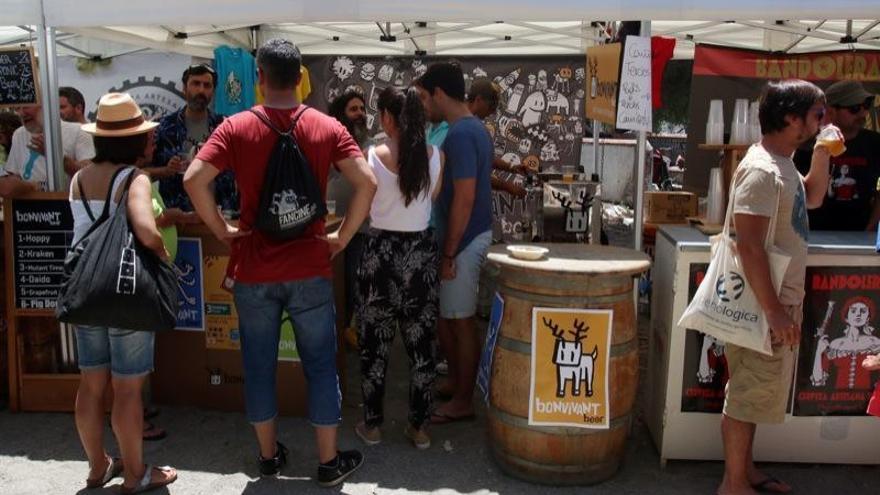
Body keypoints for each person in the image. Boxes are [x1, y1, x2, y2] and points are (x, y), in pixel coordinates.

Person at [184, 38, 375, 485]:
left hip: (253, 267)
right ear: (301, 77)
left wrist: (222, 230)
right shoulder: (327, 127)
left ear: (260, 79)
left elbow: (194, 179)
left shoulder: (235, 127)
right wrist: (341, 238)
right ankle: (328, 463)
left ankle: (268, 458)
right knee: (321, 366)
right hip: (310, 264)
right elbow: (366, 183)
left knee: (258, 364)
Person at [719, 79, 836, 495]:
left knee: (752, 393)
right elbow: (748, 245)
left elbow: (814, 197)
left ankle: (744, 473)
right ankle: (733, 485)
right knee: (747, 394)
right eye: (817, 115)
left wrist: (822, 151)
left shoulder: (782, 163)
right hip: (759, 306)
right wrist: (772, 310)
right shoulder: (761, 170)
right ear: (791, 118)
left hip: (772, 303)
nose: (824, 122)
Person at [71, 92, 177, 493]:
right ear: (133, 141)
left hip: (85, 289)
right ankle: (136, 474)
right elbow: (146, 229)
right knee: (128, 389)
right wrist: (160, 250)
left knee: (90, 384)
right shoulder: (134, 178)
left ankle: (98, 467)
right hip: (125, 289)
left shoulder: (79, 177)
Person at [354, 86, 444, 450]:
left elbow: (364, 204)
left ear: (388, 118)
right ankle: (419, 429)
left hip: (380, 254)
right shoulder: (436, 155)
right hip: (420, 255)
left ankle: (373, 426)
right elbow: (431, 200)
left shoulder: (370, 156)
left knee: (374, 346)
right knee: (422, 348)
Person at [415, 63, 493, 424]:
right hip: (463, 237)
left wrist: (448, 252)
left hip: (462, 241)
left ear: (439, 94)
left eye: (423, 97)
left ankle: (463, 400)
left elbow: (464, 198)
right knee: (450, 317)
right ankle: (457, 384)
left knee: (460, 320)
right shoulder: (471, 128)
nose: (423, 105)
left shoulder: (461, 134)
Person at [794, 80, 880, 231]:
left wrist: (872, 225)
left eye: (866, 105)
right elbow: (795, 193)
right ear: (831, 111)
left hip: (863, 236)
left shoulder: (875, 143)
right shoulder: (807, 145)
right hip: (815, 236)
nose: (863, 113)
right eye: (854, 108)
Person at [151, 64, 237, 214]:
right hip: (180, 220)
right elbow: (140, 172)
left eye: (207, 85)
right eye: (196, 84)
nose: (201, 90)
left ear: (213, 91)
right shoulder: (163, 128)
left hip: (222, 215)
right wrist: (166, 170)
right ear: (184, 88)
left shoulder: (226, 126)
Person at [328, 90, 371, 346]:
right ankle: (336, 328)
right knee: (335, 279)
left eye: (362, 109)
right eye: (353, 109)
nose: (360, 114)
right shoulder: (327, 139)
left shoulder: (369, 144)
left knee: (354, 279)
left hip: (360, 227)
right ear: (340, 113)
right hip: (330, 224)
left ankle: (349, 329)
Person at [0, 103, 95, 196]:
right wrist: (30, 186)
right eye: (17, 109)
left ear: (45, 105)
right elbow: (14, 175)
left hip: (67, 205)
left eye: (26, 107)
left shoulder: (78, 131)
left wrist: (54, 155)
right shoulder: (19, 134)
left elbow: (89, 176)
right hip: (29, 208)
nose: (21, 113)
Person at [467, 78, 528, 198]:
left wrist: (511, 168)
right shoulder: (465, 129)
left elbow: (484, 158)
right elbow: (477, 174)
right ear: (478, 100)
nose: (493, 111)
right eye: (492, 105)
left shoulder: (474, 125)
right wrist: (508, 186)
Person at [811, 297, 880, 389]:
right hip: (837, 398)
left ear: (868, 317)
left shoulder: (875, 342)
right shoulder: (836, 344)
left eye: (863, 311)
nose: (858, 314)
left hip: (866, 398)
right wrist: (818, 353)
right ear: (846, 316)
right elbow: (818, 379)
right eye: (853, 311)